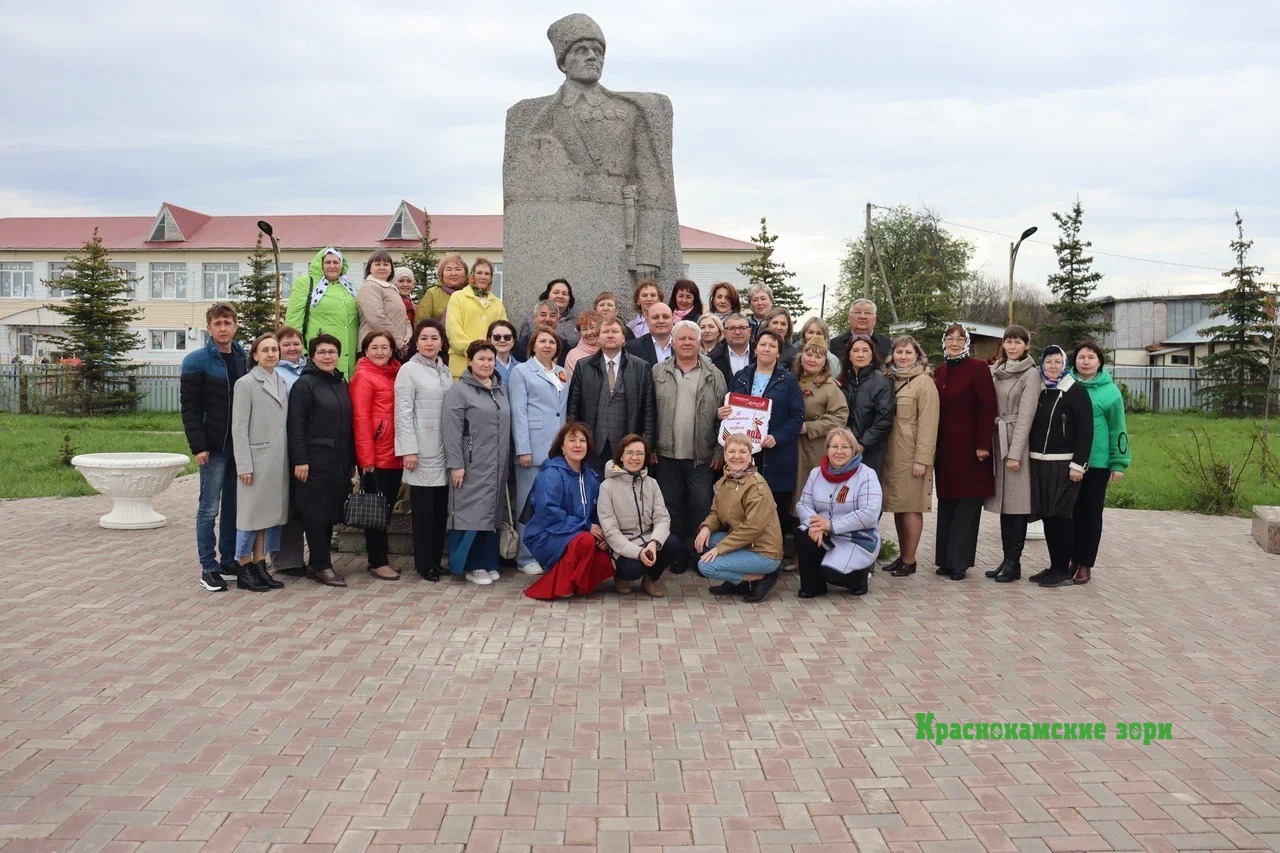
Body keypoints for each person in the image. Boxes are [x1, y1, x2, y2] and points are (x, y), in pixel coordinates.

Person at [503, 13, 682, 313]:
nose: (592, 57)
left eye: (598, 51)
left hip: (619, 238)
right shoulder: (537, 116)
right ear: (563, 62)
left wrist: (649, 254)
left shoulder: (628, 111)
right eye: (581, 50)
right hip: (559, 237)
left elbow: (653, 184)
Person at [181, 302, 248, 592]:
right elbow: (190, 409)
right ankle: (208, 567)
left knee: (234, 507)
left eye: (227, 323)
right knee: (209, 508)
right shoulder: (196, 361)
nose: (223, 328)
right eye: (217, 323)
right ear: (209, 328)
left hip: (239, 447)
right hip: (213, 447)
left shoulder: (244, 358)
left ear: (235, 326)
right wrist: (199, 446)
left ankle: (228, 561)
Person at [652, 320, 728, 574]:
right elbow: (649, 411)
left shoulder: (714, 375)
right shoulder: (657, 372)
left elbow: (724, 418)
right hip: (666, 455)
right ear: (673, 343)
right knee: (670, 507)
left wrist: (719, 451)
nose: (686, 343)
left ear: (699, 342)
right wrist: (649, 446)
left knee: (701, 506)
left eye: (691, 339)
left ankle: (698, 553)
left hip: (702, 457)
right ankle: (676, 554)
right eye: (681, 338)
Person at [725, 330, 805, 564]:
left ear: (779, 352)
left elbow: (797, 416)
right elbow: (730, 409)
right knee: (743, 506)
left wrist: (777, 437)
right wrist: (723, 413)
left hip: (776, 455)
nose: (766, 349)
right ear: (755, 348)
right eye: (763, 344)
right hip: (745, 456)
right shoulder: (741, 376)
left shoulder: (788, 380)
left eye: (772, 346)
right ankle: (743, 557)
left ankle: (771, 560)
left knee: (774, 509)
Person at [286, 334, 356, 588]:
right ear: (312, 356)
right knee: (314, 514)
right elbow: (295, 425)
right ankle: (322, 565)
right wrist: (300, 459)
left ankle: (317, 564)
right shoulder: (305, 385)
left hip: (338, 461)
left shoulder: (340, 382)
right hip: (313, 462)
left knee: (329, 513)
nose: (328, 357)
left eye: (332, 352)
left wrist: (351, 460)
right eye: (322, 352)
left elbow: (347, 424)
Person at [443, 340, 512, 585]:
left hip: (497, 465)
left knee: (491, 515)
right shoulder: (459, 391)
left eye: (490, 359)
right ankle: (471, 565)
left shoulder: (501, 390)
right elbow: (451, 431)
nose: (486, 364)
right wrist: (456, 465)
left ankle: (489, 562)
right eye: (481, 359)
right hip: (471, 465)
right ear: (470, 361)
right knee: (471, 514)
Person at [932, 322, 997, 580]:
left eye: (960, 339)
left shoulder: (978, 368)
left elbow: (988, 407)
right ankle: (945, 559)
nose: (955, 343)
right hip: (945, 451)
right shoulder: (939, 371)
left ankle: (960, 561)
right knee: (947, 503)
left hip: (971, 450)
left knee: (967, 505)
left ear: (967, 343)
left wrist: (983, 444)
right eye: (950, 338)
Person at [522, 422, 615, 600]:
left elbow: (598, 512)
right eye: (572, 440)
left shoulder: (591, 477)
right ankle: (560, 585)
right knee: (585, 541)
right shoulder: (552, 473)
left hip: (576, 531)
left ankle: (577, 583)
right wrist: (586, 527)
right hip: (546, 534)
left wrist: (603, 535)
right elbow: (548, 512)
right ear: (562, 447)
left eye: (582, 440)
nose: (578, 445)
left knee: (606, 557)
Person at [227, 333, 290, 592]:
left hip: (277, 461)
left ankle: (260, 562)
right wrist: (244, 465)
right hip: (256, 460)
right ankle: (244, 566)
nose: (271, 354)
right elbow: (239, 428)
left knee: (266, 516)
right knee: (250, 515)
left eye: (274, 349)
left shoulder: (281, 381)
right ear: (254, 355)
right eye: (265, 350)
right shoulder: (246, 384)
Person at [1027, 345, 1094, 588]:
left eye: (1057, 361)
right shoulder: (1040, 390)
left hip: (1065, 464)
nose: (1053, 366)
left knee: (1061, 516)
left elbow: (1086, 431)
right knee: (1047, 516)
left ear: (1065, 364)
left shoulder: (1076, 391)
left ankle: (1063, 570)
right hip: (1039, 462)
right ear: (1042, 365)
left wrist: (1078, 465)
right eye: (1048, 362)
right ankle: (1055, 565)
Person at [395, 319, 453, 582]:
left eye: (434, 338)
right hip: (421, 451)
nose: (429, 343)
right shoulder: (408, 370)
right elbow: (403, 413)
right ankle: (424, 564)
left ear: (442, 342)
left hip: (444, 449)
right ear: (416, 343)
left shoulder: (445, 370)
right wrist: (408, 450)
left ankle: (435, 561)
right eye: (424, 338)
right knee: (423, 511)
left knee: (440, 509)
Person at [693, 433, 783, 602]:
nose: (736, 456)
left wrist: (720, 549)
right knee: (704, 541)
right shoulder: (723, 482)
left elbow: (752, 529)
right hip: (745, 543)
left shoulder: (757, 487)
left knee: (705, 566)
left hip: (763, 551)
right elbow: (716, 513)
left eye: (742, 451)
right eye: (731, 451)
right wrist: (706, 528)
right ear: (725, 454)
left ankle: (761, 577)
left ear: (750, 455)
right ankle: (739, 583)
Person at [794, 428, 883, 598]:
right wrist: (817, 524)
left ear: (853, 450)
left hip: (856, 538)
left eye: (845, 447)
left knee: (831, 574)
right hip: (824, 533)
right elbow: (803, 505)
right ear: (827, 449)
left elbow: (869, 513)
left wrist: (831, 525)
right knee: (802, 534)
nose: (839, 451)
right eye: (834, 446)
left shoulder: (866, 475)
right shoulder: (816, 473)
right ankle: (813, 586)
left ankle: (859, 578)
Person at [983, 326, 1042, 583]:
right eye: (1008, 342)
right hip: (998, 441)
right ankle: (1006, 559)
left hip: (1018, 444)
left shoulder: (1031, 374)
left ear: (1026, 345)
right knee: (1005, 506)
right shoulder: (997, 371)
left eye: (1017, 342)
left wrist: (1015, 453)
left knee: (1017, 505)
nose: (1012, 346)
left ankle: (1014, 562)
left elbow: (1026, 417)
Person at [1069, 341, 1131, 585]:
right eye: (1081, 357)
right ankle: (1070, 558)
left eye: (1091, 357)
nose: (1086, 362)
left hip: (1097, 463)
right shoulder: (1066, 385)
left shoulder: (1110, 392)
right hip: (1068, 461)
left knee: (1090, 514)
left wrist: (1119, 462)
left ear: (1100, 362)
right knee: (1069, 512)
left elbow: (1118, 428)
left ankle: (1084, 563)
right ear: (1074, 361)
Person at [510, 328, 570, 576]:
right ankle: (525, 557)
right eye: (542, 341)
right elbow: (518, 411)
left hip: (557, 448)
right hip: (532, 449)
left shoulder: (561, 372)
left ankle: (546, 552)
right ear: (533, 346)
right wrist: (523, 449)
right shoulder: (521, 371)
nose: (547, 345)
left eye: (552, 342)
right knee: (528, 504)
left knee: (551, 504)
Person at [881, 336, 940, 578]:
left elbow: (929, 424)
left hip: (912, 457)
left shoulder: (924, 383)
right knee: (899, 506)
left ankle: (910, 558)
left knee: (912, 507)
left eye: (908, 352)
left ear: (917, 355)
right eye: (899, 352)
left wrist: (922, 460)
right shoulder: (890, 380)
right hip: (892, 456)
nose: (903, 357)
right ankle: (903, 554)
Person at [566, 317, 656, 472]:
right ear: (598, 337)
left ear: (624, 338)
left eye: (614, 331)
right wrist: (575, 441)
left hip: (628, 446)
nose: (610, 335)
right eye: (605, 332)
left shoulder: (641, 367)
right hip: (593, 446)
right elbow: (573, 408)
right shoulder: (583, 366)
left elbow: (649, 411)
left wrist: (646, 446)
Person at [348, 331, 404, 581]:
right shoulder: (363, 376)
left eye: (385, 347)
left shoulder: (394, 373)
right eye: (375, 347)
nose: (380, 352)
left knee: (385, 508)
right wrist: (366, 459)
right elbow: (360, 420)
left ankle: (378, 557)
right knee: (376, 510)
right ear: (366, 350)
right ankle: (378, 561)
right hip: (377, 456)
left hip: (394, 453)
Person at [598, 434, 675, 597]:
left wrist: (654, 543)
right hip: (623, 544)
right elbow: (610, 531)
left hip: (648, 538)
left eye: (639, 453)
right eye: (629, 453)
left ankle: (650, 579)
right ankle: (621, 576)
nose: (634, 458)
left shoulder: (652, 484)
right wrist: (638, 552)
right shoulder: (607, 487)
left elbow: (662, 518)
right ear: (621, 456)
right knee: (633, 569)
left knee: (674, 545)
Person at [285, 247, 360, 380]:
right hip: (320, 357)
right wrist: (303, 353)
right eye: (327, 262)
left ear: (342, 264)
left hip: (349, 357)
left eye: (336, 262)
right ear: (319, 264)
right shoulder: (306, 283)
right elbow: (293, 322)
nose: (332, 266)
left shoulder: (349, 286)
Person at [271, 325, 308, 577]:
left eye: (296, 343)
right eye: (286, 344)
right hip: (283, 445)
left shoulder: (308, 369)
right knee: (286, 505)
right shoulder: (275, 373)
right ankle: (285, 560)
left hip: (306, 445)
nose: (292, 348)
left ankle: (300, 556)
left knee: (301, 503)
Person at [793, 340, 849, 497]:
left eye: (818, 357)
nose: (812, 360)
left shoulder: (830, 387)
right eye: (809, 354)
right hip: (790, 449)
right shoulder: (790, 381)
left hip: (814, 450)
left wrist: (809, 427)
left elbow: (840, 417)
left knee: (809, 492)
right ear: (801, 357)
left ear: (825, 362)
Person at [839, 335, 895, 475]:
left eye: (865, 350)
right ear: (849, 356)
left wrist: (863, 443)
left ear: (872, 355)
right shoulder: (842, 381)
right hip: (843, 447)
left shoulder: (881, 383)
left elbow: (884, 419)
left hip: (871, 450)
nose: (860, 355)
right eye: (855, 350)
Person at [445, 257, 507, 379]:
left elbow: (503, 333)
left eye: (487, 274)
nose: (483, 277)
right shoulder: (458, 297)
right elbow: (453, 330)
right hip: (462, 365)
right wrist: (476, 351)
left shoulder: (497, 303)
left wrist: (487, 355)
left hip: (489, 368)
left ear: (491, 277)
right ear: (472, 275)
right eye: (479, 273)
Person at [356, 249, 411, 358]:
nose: (382, 267)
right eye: (377, 264)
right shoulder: (369, 287)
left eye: (386, 264)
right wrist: (399, 341)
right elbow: (377, 319)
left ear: (391, 269)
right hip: (374, 349)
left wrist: (407, 337)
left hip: (392, 347)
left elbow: (404, 318)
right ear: (370, 268)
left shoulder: (392, 288)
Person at [520, 278, 580, 351]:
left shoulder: (577, 322)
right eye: (556, 292)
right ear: (547, 296)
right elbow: (521, 347)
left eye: (564, 294)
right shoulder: (530, 319)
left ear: (569, 299)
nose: (560, 296)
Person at [830, 298, 892, 364]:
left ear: (874, 320)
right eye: (858, 312)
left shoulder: (887, 344)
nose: (862, 317)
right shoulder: (834, 344)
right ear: (849, 318)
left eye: (867, 313)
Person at [415, 254, 468, 324]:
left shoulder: (472, 293)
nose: (453, 273)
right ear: (442, 274)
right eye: (449, 270)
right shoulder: (432, 294)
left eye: (458, 269)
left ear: (465, 273)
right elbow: (421, 322)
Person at [708, 312, 753, 385]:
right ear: (724, 333)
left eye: (742, 328)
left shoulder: (761, 354)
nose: (737, 332)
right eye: (732, 328)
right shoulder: (712, 359)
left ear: (749, 332)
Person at [625, 301, 675, 366]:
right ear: (647, 321)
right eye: (655, 317)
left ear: (672, 319)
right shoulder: (633, 347)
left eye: (665, 317)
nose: (661, 321)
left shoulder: (683, 344)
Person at [563, 310, 601, 380]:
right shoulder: (573, 355)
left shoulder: (610, 351)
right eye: (584, 329)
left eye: (592, 327)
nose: (588, 332)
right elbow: (570, 383)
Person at [487, 319, 520, 385]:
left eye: (507, 337)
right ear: (489, 340)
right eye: (497, 337)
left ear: (513, 341)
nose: (502, 340)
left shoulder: (522, 367)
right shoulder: (483, 366)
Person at [393, 267, 417, 333]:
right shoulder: (388, 304)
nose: (405, 284)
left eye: (409, 281)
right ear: (393, 283)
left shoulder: (415, 308)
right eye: (401, 281)